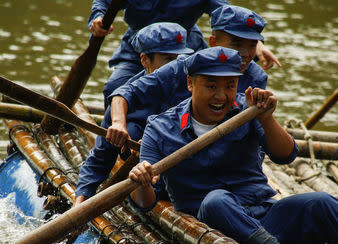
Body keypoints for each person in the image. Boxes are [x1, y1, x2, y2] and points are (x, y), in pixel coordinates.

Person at [128, 46, 338, 244]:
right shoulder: (159, 128)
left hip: (266, 221)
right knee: (216, 201)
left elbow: (285, 156)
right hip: (215, 234)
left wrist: (266, 118)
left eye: (229, 86)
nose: (221, 96)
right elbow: (145, 202)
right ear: (190, 83)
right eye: (211, 86)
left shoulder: (248, 109)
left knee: (321, 202)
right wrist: (140, 180)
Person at [106, 5, 269, 149]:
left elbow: (253, 129)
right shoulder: (186, 65)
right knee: (114, 89)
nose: (245, 54)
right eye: (237, 44)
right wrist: (121, 125)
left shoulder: (257, 77)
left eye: (252, 45)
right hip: (178, 142)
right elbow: (126, 92)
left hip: (225, 148)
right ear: (213, 43)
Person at [75, 22, 195, 205]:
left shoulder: (194, 88)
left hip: (187, 178)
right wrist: (80, 201)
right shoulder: (122, 99)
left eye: (181, 59)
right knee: (130, 129)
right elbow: (99, 160)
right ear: (145, 60)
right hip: (146, 186)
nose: (177, 67)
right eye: (169, 59)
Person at [88, 0, 281, 108]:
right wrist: (98, 18)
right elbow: (103, 2)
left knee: (188, 93)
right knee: (114, 87)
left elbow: (227, 14)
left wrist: (257, 46)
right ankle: (115, 143)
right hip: (140, 47)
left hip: (185, 48)